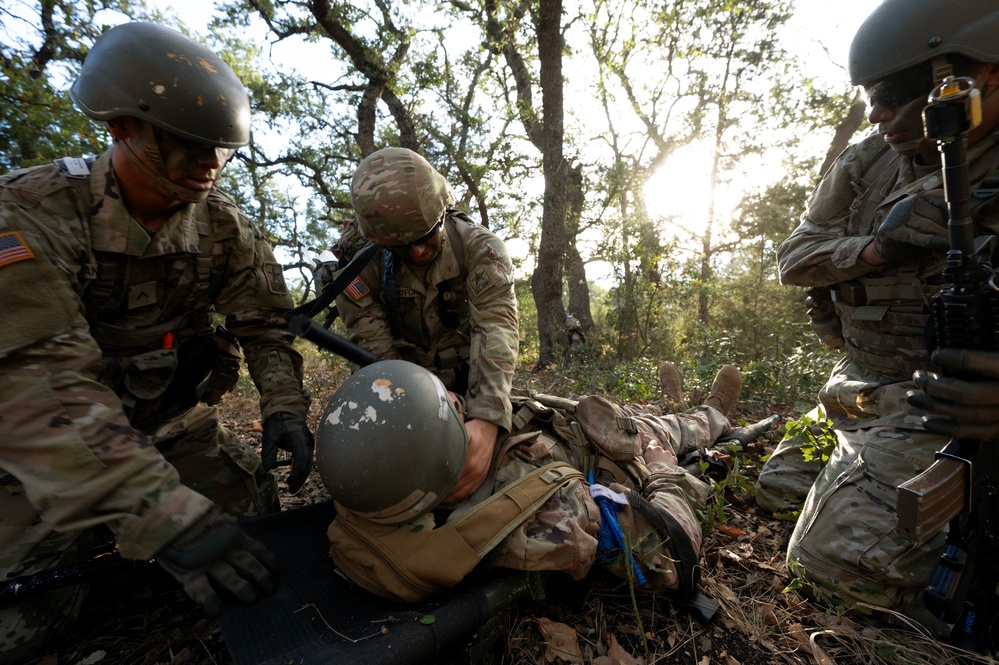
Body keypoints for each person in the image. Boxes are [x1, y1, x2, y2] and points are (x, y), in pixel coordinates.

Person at [0, 22, 313, 660]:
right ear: (123, 128)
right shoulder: (30, 215)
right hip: (38, 454)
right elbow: (40, 387)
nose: (210, 166)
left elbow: (263, 324)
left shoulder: (224, 228)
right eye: (191, 147)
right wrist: (164, 515)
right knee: (24, 626)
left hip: (165, 427)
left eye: (222, 151)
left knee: (256, 539)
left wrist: (284, 408)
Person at [754, 0, 999, 638]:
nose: (877, 113)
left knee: (827, 568)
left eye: (896, 93)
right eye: (870, 96)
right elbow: (796, 258)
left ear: (984, 74)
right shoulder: (868, 162)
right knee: (774, 489)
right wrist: (874, 249)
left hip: (948, 413)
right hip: (861, 390)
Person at [315, 358, 744, 604]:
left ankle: (680, 406)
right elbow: (673, 558)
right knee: (671, 430)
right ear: (443, 453)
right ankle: (713, 413)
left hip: (577, 423)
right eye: (448, 409)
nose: (452, 395)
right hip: (621, 452)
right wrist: (665, 468)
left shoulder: (377, 479)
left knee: (656, 419)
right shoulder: (547, 517)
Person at [330, 147, 519, 505]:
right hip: (405, 388)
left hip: (474, 385)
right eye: (403, 246)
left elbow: (496, 328)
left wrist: (487, 419)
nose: (418, 252)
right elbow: (377, 358)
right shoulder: (359, 274)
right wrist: (416, 400)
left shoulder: (480, 249)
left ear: (442, 211)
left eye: (427, 234)